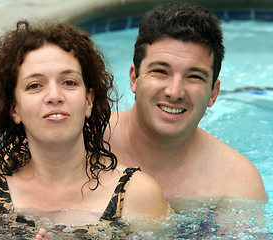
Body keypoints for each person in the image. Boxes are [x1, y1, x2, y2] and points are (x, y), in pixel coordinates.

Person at [0, 20, 171, 237]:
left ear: (88, 101)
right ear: (14, 110)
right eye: (35, 86)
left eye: (69, 82)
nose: (54, 96)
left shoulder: (137, 196)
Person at [108, 2, 267, 201]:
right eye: (160, 71)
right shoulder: (86, 141)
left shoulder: (236, 185)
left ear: (213, 93)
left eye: (194, 77)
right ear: (134, 78)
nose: (175, 92)